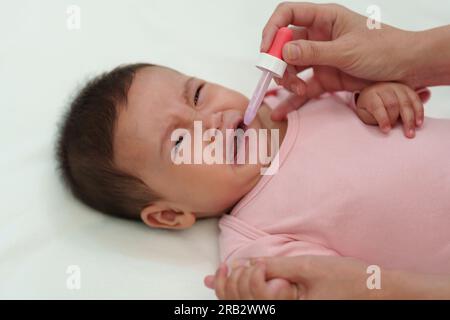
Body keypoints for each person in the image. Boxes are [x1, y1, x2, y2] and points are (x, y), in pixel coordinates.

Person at [204, 2, 450, 300]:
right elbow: (318, 281)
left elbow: (363, 95)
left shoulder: (298, 96)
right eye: (178, 142)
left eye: (196, 95)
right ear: (170, 214)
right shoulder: (252, 240)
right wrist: (271, 290)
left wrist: (376, 97)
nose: (206, 124)